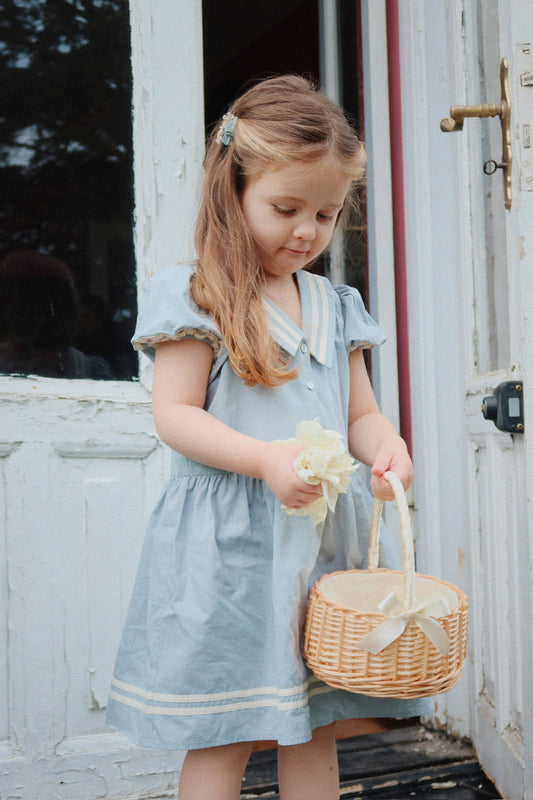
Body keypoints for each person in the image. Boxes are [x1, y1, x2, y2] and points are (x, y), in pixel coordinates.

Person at [106, 75, 432, 800]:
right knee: (224, 732)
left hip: (316, 549)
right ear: (233, 190)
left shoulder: (334, 304)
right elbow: (175, 416)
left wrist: (385, 447)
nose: (306, 232)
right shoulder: (198, 295)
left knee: (314, 725)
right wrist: (262, 458)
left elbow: (358, 415)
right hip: (230, 553)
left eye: (325, 212)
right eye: (285, 208)